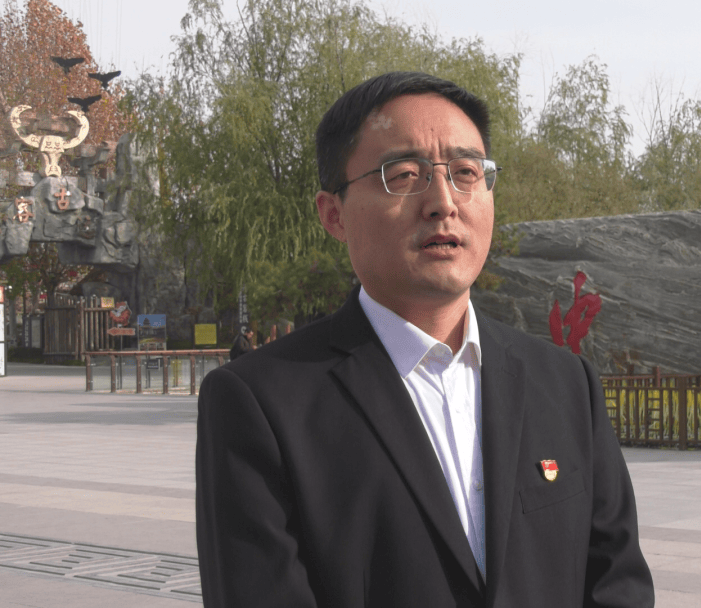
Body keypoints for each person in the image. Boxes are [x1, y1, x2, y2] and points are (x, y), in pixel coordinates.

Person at [196, 72, 654, 607]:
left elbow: (618, 584)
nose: (443, 202)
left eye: (465, 172)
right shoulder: (261, 402)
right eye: (404, 175)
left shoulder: (566, 384)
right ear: (334, 214)